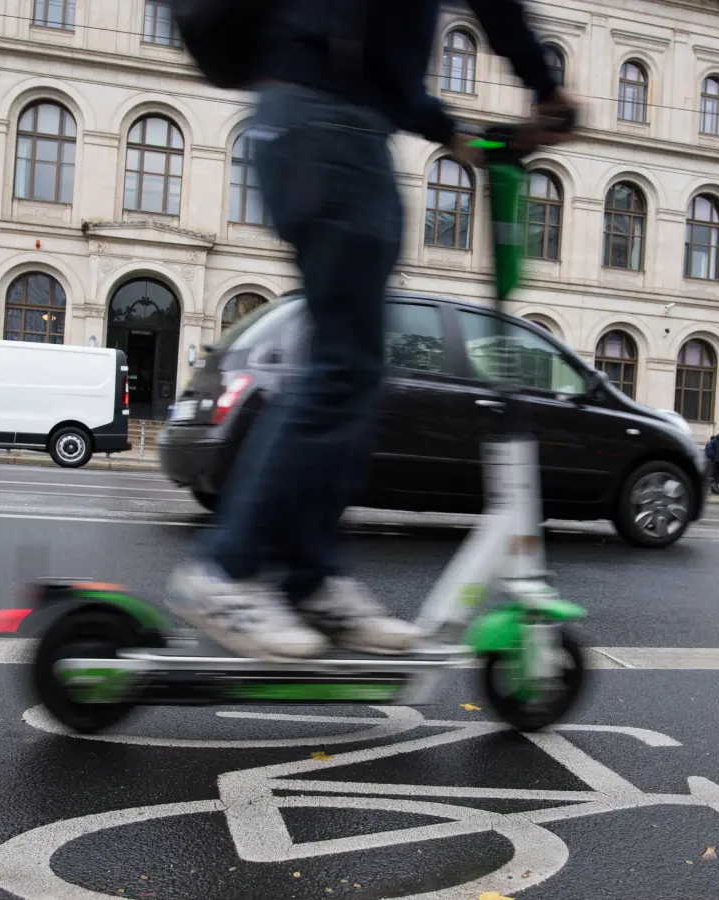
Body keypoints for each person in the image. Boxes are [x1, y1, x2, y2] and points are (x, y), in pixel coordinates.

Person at [168, 0, 572, 661]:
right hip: (329, 131)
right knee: (342, 370)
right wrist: (548, 89)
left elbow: (380, 61)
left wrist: (452, 132)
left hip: (331, 124)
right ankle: (224, 571)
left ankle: (310, 579)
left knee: (351, 373)